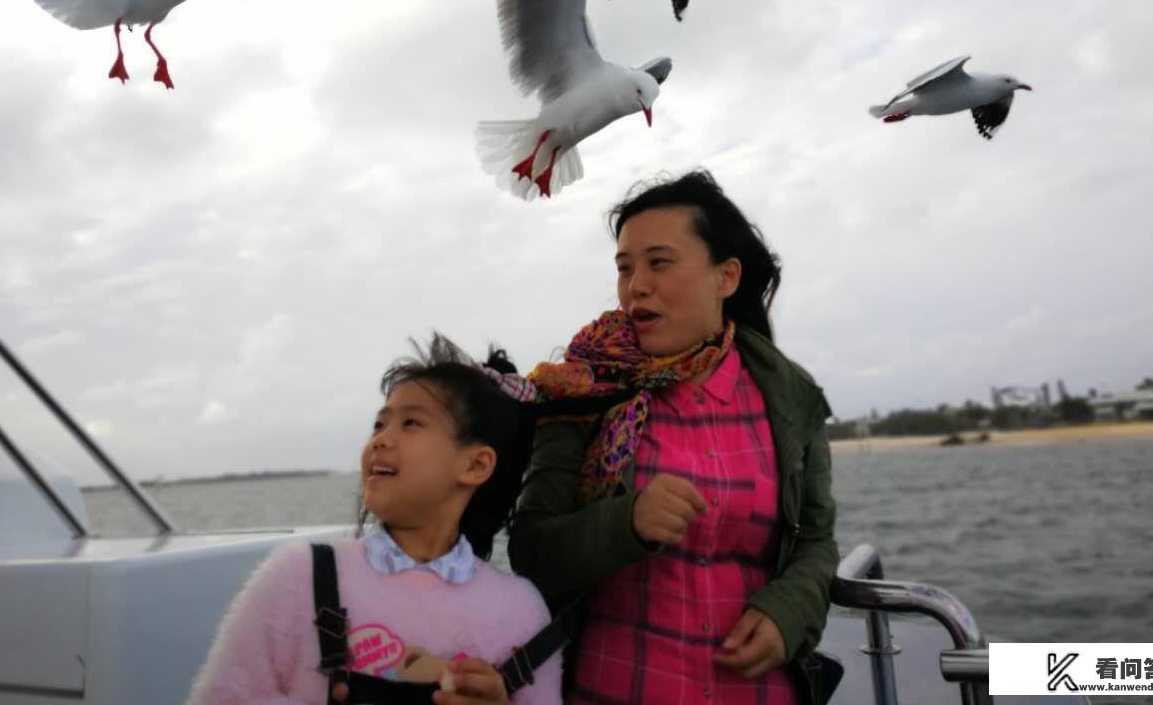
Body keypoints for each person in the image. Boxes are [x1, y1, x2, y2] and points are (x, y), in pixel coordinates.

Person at [508, 169, 839, 704]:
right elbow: (532, 549)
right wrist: (626, 522)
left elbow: (816, 540)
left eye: (659, 263)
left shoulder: (790, 398)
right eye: (624, 268)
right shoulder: (583, 389)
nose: (636, 285)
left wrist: (790, 611)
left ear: (725, 277)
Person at [189, 336, 563, 705]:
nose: (381, 440)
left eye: (411, 423)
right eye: (379, 425)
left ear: (475, 464)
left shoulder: (519, 609)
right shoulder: (299, 573)